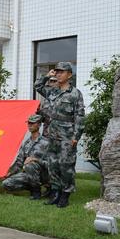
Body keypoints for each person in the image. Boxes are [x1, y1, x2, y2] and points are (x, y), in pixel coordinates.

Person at [34, 62, 85, 208]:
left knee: (66, 165)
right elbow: (37, 87)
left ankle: (65, 194)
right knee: (53, 165)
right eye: (56, 71)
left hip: (67, 136)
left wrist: (76, 136)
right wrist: (46, 76)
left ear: (69, 75)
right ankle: (55, 192)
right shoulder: (52, 91)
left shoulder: (75, 93)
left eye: (61, 72)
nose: (58, 74)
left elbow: (80, 116)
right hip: (52, 134)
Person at [1, 114, 50, 199]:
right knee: (6, 183)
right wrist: (9, 172)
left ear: (39, 124)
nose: (30, 125)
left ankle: (36, 192)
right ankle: (33, 187)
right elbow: (19, 162)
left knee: (30, 164)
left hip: (45, 174)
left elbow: (53, 164)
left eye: (32, 123)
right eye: (29, 123)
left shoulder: (46, 143)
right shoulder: (26, 144)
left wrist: (36, 160)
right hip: (30, 174)